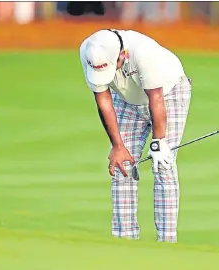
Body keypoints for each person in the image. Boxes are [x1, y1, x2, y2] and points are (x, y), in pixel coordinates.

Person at [79, 29, 192, 243]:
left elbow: (156, 99)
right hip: (127, 100)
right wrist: (117, 146)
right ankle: (125, 242)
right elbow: (103, 99)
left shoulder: (143, 52)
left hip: (169, 93)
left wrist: (159, 143)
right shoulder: (88, 51)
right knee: (122, 166)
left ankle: (167, 243)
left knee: (163, 165)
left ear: (122, 55)